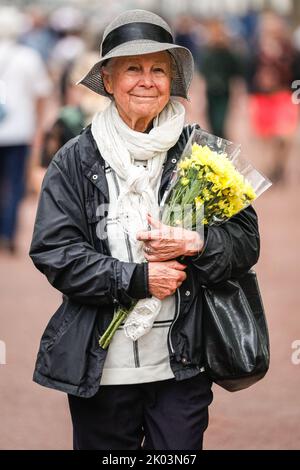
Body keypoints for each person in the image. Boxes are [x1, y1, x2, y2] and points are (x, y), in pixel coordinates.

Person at [29, 10, 260, 451]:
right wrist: (137, 279)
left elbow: (246, 243)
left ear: (172, 80)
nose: (146, 80)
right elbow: (54, 250)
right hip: (102, 368)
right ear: (109, 80)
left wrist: (198, 242)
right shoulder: (76, 159)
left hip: (182, 363)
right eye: (132, 68)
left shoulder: (205, 154)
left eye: (158, 69)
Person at [0, 6, 51, 253]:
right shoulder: (28, 57)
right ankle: (8, 233)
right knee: (14, 184)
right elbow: (41, 94)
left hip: (15, 129)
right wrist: (38, 126)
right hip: (19, 131)